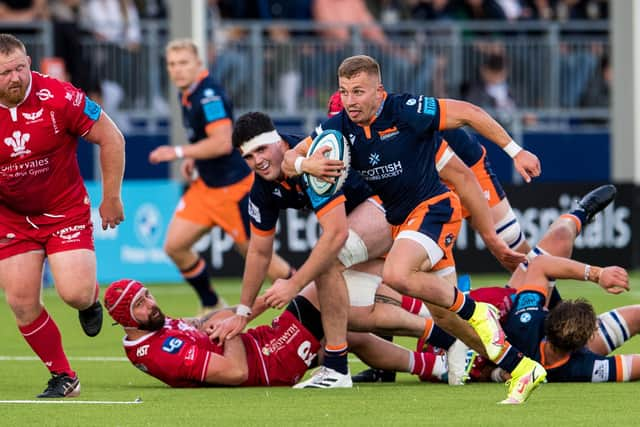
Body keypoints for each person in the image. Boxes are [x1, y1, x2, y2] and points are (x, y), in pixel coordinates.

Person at [284, 54, 546, 402]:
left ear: (379, 91)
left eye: (358, 92)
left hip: (436, 209)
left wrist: (516, 152)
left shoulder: (407, 110)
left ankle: (477, 309)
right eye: (344, 92)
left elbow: (468, 114)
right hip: (402, 224)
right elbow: (288, 161)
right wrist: (307, 163)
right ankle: (521, 366)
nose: (350, 101)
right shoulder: (341, 128)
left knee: (397, 273)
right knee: (447, 318)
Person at [0, 33, 125, 398]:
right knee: (21, 301)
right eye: (6, 72)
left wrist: (111, 197)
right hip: (11, 217)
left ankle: (89, 301)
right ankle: (64, 377)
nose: (16, 77)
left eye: (21, 68)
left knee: (74, 293)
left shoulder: (59, 96)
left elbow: (112, 137)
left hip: (64, 211)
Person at [417, 185, 634, 387]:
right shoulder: (582, 366)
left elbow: (539, 265)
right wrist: (598, 274)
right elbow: (630, 366)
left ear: (546, 315)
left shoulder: (526, 321)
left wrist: (598, 274)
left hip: (496, 334)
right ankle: (580, 214)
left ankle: (580, 212)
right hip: (519, 348)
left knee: (558, 238)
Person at [148, 39, 291, 314]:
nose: (177, 70)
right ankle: (211, 304)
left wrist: (177, 151)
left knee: (262, 259)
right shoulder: (187, 93)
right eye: (172, 64)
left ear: (199, 63)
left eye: (183, 63)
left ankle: (312, 304)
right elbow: (206, 138)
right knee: (175, 246)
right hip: (206, 187)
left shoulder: (208, 95)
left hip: (234, 189)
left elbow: (223, 142)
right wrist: (193, 156)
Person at [103, 278, 452, 388]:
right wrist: (235, 327)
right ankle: (438, 330)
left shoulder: (154, 328)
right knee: (322, 287)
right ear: (126, 318)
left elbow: (204, 325)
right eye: (140, 304)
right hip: (270, 362)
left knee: (346, 336)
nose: (151, 304)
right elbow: (237, 372)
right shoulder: (161, 353)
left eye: (147, 295)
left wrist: (226, 318)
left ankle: (436, 367)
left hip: (266, 346)